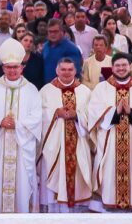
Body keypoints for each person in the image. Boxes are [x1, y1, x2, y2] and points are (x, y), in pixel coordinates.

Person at [0, 38, 43, 212]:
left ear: (22, 67)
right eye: (9, 67)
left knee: (22, 186)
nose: (12, 70)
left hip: (22, 148)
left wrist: (18, 124)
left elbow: (37, 116)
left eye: (16, 67)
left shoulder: (31, 90)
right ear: (3, 68)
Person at [86, 53, 132, 212]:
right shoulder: (101, 88)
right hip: (110, 138)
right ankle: (109, 205)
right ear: (112, 68)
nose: (121, 69)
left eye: (124, 65)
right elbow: (93, 112)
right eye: (117, 66)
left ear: (130, 67)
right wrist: (115, 112)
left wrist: (131, 112)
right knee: (109, 170)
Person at [39, 57, 93, 212]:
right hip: (55, 146)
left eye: (70, 69)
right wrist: (55, 112)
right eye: (63, 69)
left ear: (76, 71)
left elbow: (92, 115)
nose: (67, 73)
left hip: (79, 144)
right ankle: (56, 212)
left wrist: (77, 115)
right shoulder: (46, 90)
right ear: (57, 70)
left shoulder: (85, 92)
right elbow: (39, 115)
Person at [41, 19, 82, 83]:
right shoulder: (45, 46)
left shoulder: (71, 48)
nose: (52, 34)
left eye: (55, 31)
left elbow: (75, 72)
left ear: (62, 32)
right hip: (47, 87)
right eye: (50, 32)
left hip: (65, 88)